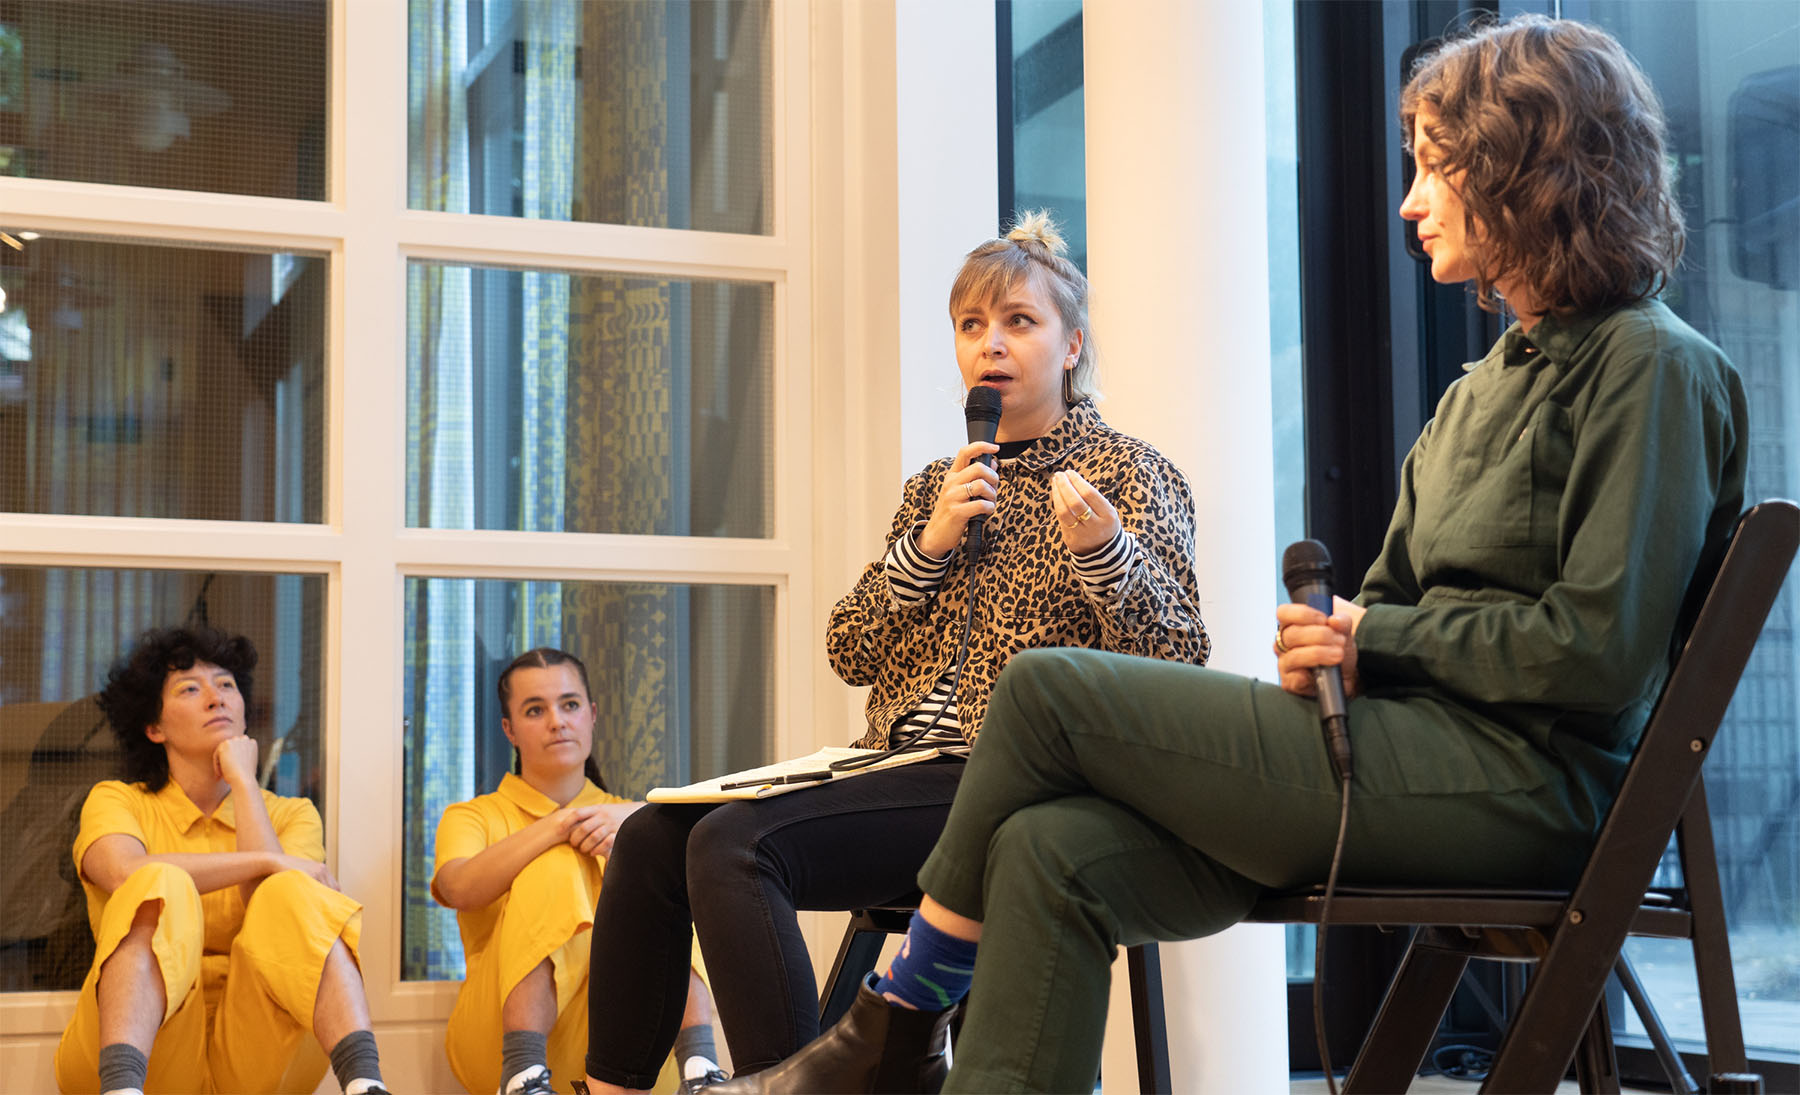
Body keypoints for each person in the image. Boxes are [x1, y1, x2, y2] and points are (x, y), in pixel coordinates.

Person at [734, 15, 1750, 1094]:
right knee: (1046, 852)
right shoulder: (1478, 389)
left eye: (1434, 168)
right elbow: (1389, 613)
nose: (1410, 201)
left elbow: (1599, 651)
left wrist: (1378, 636)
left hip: (1522, 792)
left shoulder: (1653, 369)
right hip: (1404, 754)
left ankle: (896, 1022)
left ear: (1521, 167)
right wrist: (1338, 642)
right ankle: (902, 1038)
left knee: (1044, 693)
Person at [581, 212, 1210, 1093]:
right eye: (971, 326)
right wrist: (929, 545)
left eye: (1019, 322)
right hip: (891, 766)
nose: (991, 344)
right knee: (652, 835)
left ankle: (787, 1083)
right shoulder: (937, 486)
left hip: (1015, 780)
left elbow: (1181, 661)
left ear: (1071, 347)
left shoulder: (1132, 473)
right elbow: (850, 647)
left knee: (734, 845)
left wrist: (1107, 554)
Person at [54, 626, 389, 1095]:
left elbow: (275, 909)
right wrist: (271, 861)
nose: (216, 698)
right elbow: (125, 872)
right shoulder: (117, 800)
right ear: (154, 728)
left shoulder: (291, 814)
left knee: (290, 892)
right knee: (161, 883)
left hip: (257, 1050)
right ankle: (121, 1089)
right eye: (190, 689)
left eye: (226, 685)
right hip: (148, 1049)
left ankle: (366, 1084)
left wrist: (246, 784)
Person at [432, 648, 722, 1095]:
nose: (556, 721)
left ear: (591, 714)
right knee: (556, 862)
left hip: (636, 1048)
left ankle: (701, 1068)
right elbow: (458, 888)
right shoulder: (473, 816)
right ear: (509, 730)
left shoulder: (633, 816)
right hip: (497, 1042)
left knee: (671, 875)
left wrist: (636, 817)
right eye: (535, 710)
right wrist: (559, 825)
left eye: (569, 705)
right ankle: (523, 1073)